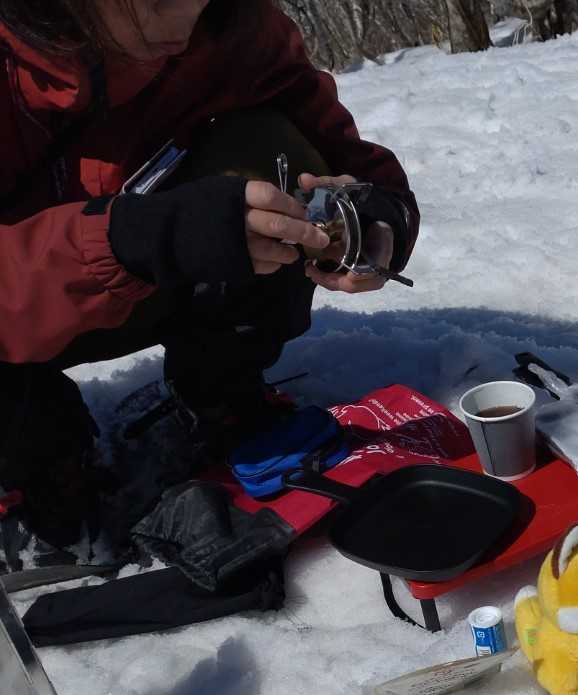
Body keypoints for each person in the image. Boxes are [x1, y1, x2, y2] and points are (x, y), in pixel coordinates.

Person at [0, 0, 420, 551]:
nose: (183, 27)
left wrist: (379, 219)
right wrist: (128, 240)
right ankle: (35, 470)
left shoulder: (232, 25)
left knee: (270, 145)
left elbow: (332, 147)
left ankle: (220, 394)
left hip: (135, 282)